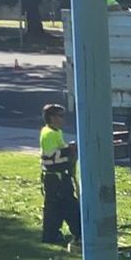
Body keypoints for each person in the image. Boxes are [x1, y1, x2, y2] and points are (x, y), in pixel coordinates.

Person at [39, 103, 80, 246]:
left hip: (58, 178)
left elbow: (61, 149)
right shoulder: (49, 134)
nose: (63, 119)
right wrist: (70, 151)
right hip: (56, 179)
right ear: (52, 118)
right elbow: (51, 158)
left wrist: (69, 148)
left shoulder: (56, 132)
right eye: (60, 116)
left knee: (55, 209)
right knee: (70, 207)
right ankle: (80, 233)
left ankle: (51, 236)